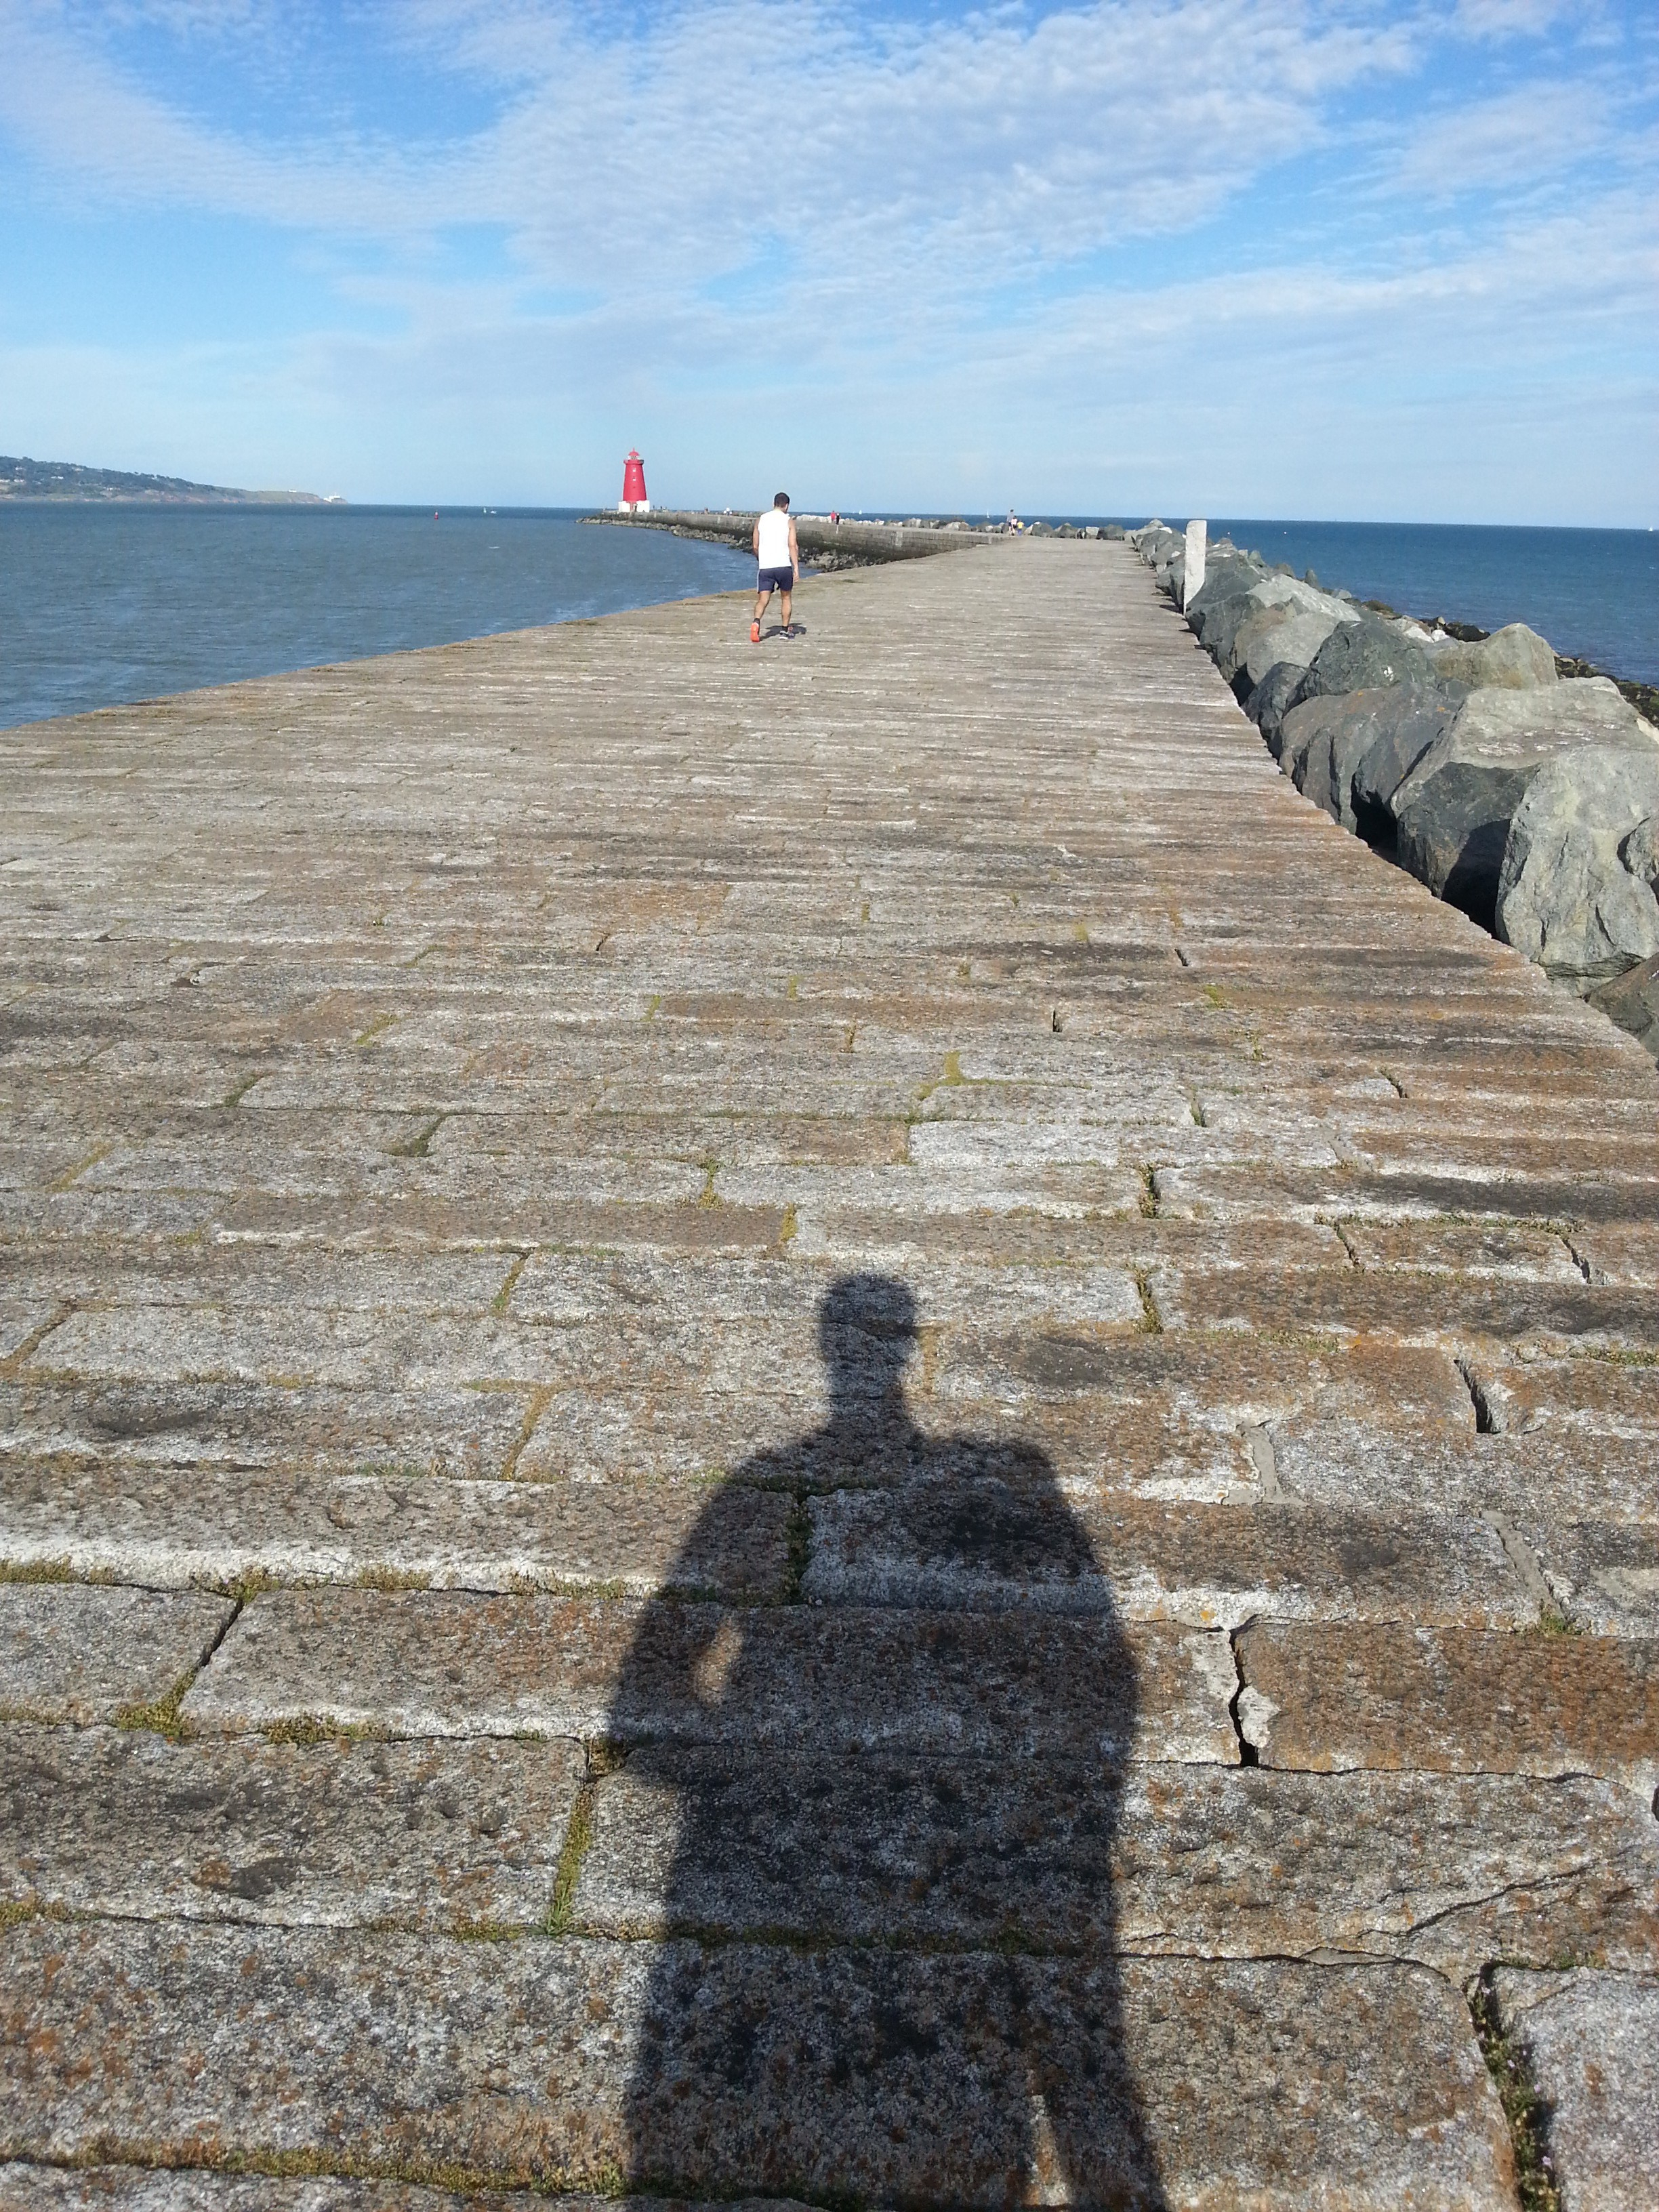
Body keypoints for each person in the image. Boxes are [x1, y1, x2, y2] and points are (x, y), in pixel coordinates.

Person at [750, 493, 800, 642]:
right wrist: (796, 567)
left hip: (766, 567)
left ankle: (756, 622)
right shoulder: (789, 521)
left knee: (763, 599)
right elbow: (792, 545)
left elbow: (755, 545)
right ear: (787, 506)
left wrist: (761, 559)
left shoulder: (761, 520)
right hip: (783, 566)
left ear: (774, 503)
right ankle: (784, 631)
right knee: (786, 598)